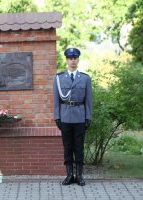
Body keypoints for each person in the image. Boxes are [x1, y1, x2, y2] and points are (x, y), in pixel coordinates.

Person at [53, 47, 92, 186]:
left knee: (79, 147)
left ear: (78, 59)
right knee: (67, 147)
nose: (73, 61)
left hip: (80, 117)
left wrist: (88, 117)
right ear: (67, 60)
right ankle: (69, 175)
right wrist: (57, 117)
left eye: (75, 58)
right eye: (70, 58)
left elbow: (88, 100)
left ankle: (79, 176)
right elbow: (56, 99)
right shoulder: (58, 78)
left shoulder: (85, 78)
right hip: (65, 117)